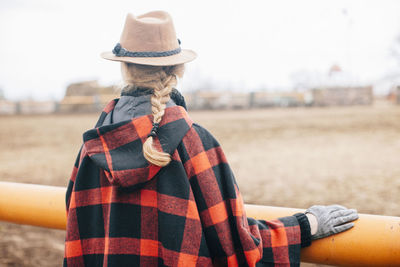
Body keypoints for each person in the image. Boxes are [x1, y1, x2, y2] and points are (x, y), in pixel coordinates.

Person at [63, 11, 358, 267]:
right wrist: (306, 226)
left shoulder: (91, 146)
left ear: (123, 67)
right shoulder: (193, 141)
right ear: (177, 69)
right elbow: (235, 246)